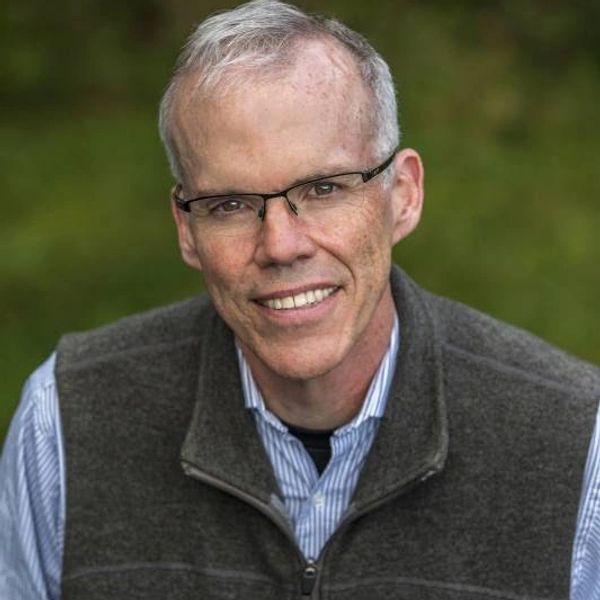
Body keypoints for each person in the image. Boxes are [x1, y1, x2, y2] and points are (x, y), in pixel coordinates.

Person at [1, 1, 599, 598]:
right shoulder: (68, 421)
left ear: (403, 196)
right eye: (230, 204)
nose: (281, 245)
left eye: (323, 188)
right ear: (187, 229)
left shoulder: (574, 444)